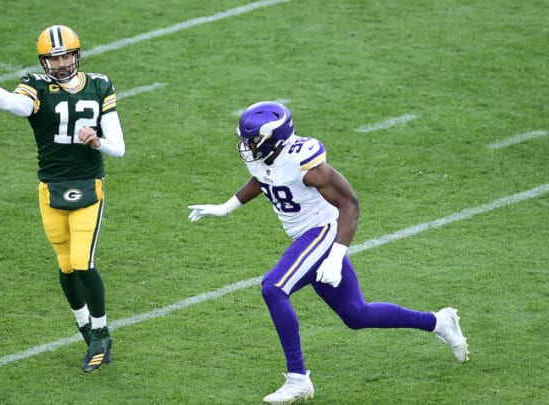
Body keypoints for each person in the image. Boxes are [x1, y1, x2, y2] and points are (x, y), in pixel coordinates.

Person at [187, 101, 468, 404]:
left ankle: (298, 379)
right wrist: (226, 208)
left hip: (321, 232)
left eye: (253, 140)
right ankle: (439, 322)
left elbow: (350, 205)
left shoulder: (307, 164)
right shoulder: (265, 157)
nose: (247, 146)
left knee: (273, 287)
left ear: (274, 139)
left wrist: (335, 257)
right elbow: (263, 179)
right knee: (356, 314)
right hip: (306, 236)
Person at [0, 24, 125, 372]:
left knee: (84, 262)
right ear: (44, 61)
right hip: (50, 187)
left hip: (89, 185)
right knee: (66, 265)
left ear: (77, 54)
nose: (61, 63)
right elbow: (14, 106)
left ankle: (101, 334)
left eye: (67, 55)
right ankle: (83, 323)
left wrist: (96, 141)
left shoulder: (100, 84)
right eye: (54, 58)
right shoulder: (36, 85)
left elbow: (119, 148)